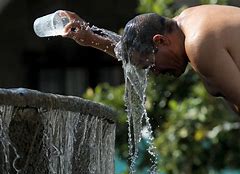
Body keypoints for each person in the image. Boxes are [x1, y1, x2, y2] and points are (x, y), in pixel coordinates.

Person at [62, 4, 240, 114]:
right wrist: (93, 39)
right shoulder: (187, 21)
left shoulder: (198, 45)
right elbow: (135, 52)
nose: (155, 72)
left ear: (160, 40)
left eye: (150, 65)